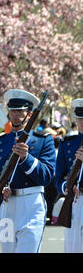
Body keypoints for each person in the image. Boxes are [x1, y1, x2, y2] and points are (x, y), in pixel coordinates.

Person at [0, 89, 56, 253]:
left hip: (32, 205)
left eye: (21, 111)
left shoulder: (43, 141)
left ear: (30, 114)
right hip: (6, 206)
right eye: (13, 110)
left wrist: (26, 158)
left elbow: (46, 176)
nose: (16, 114)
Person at [54, 98, 83, 252]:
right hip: (75, 201)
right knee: (73, 247)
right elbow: (58, 177)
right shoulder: (68, 143)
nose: (82, 122)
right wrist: (67, 187)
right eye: (80, 118)